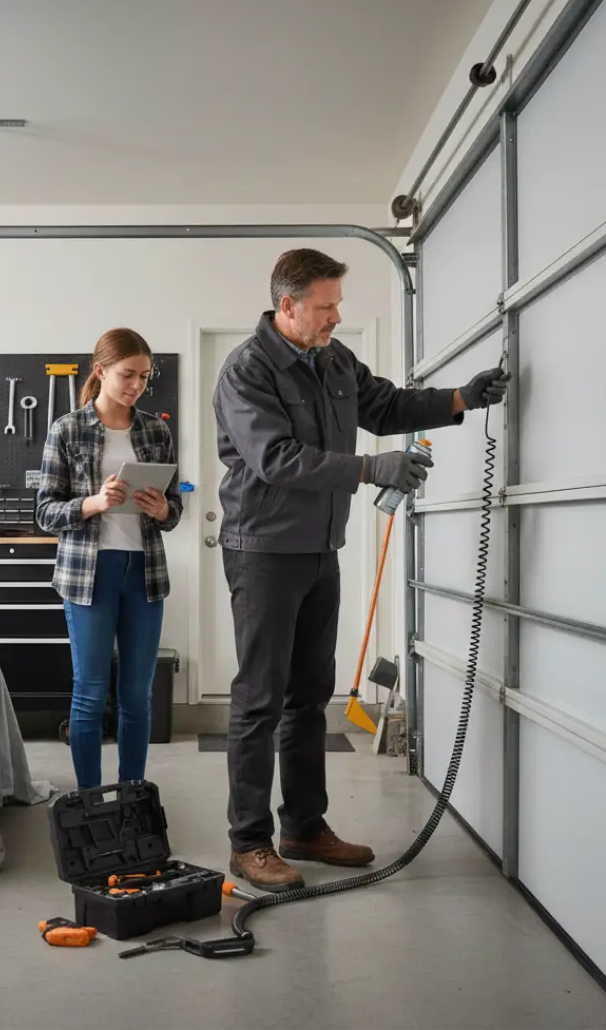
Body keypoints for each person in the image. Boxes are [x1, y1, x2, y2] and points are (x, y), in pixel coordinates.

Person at [212, 248, 508, 893]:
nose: (335, 317)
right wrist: (372, 469)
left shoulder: (335, 360)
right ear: (287, 306)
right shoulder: (248, 370)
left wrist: (460, 398)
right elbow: (276, 458)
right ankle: (248, 843)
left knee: (310, 696)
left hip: (320, 548)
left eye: (337, 305)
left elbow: (384, 406)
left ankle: (304, 828)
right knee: (259, 699)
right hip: (262, 549)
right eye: (325, 307)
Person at [37, 328, 182, 790]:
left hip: (143, 574)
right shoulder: (67, 429)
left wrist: (163, 509)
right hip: (88, 575)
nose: (137, 385)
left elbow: (174, 508)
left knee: (137, 697)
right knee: (89, 695)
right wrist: (94, 503)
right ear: (100, 372)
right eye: (127, 375)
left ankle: (131, 797)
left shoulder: (156, 429)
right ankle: (89, 801)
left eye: (144, 376)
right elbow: (44, 511)